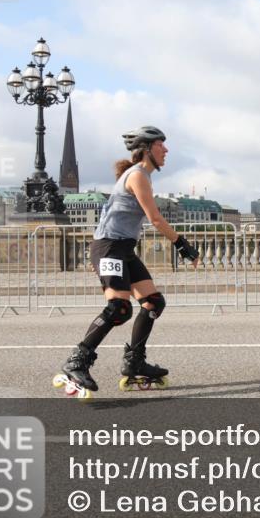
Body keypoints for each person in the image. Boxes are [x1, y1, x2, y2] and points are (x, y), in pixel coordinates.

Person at [53, 126, 200, 398]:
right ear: (147, 149)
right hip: (108, 247)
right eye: (161, 145)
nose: (166, 150)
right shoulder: (137, 175)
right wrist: (182, 244)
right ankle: (77, 361)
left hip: (124, 249)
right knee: (119, 309)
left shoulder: (141, 175)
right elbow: (154, 218)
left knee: (153, 302)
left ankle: (134, 361)